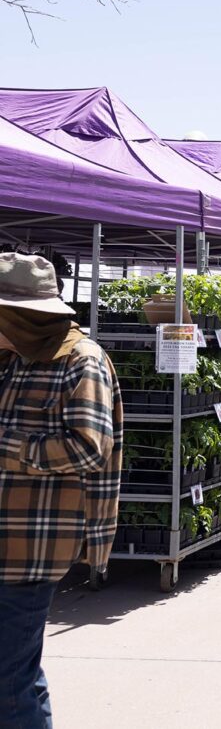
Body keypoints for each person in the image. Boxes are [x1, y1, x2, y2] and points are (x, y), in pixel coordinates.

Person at [0, 253, 122, 727]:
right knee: (16, 674)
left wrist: (7, 445)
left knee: (9, 684)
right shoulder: (14, 357)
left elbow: (89, 450)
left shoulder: (80, 360)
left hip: (30, 546)